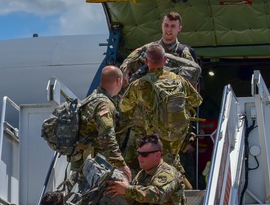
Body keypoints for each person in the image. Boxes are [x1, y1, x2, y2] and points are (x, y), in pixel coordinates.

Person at [119, 44, 202, 174]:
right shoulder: (179, 80)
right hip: (177, 135)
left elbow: (124, 107)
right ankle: (181, 186)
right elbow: (197, 101)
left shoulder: (140, 84)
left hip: (156, 137)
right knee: (172, 162)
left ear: (146, 61)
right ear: (164, 60)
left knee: (160, 170)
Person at [72, 65, 130, 173]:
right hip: (94, 164)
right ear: (118, 81)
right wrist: (119, 163)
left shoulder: (92, 98)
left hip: (83, 161)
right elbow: (106, 135)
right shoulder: (105, 105)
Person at [120, 11, 200, 87]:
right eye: (166, 25)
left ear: (179, 28)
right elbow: (126, 64)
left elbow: (193, 80)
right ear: (162, 25)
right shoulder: (147, 49)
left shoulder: (184, 52)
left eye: (173, 26)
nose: (168, 29)